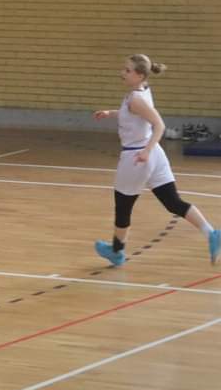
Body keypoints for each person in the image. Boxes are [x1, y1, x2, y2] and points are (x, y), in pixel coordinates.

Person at [93, 55, 221, 267]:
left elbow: (159, 125)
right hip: (155, 156)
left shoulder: (136, 99)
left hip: (137, 156)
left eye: (127, 70)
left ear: (139, 75)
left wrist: (146, 151)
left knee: (123, 206)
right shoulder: (142, 91)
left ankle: (117, 251)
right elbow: (133, 114)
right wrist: (110, 113)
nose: (122, 73)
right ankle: (212, 234)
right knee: (172, 201)